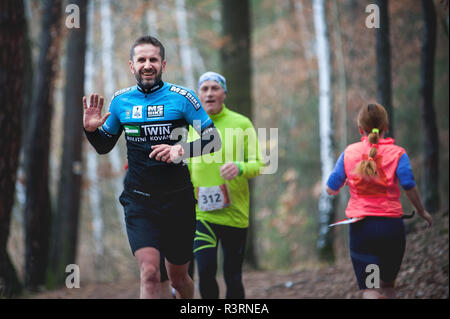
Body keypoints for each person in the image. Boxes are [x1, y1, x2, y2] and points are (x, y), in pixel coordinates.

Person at [83, 35, 221, 299]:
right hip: (140, 201)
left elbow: (213, 141)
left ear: (163, 64)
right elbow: (104, 146)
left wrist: (181, 150)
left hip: (178, 201)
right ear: (131, 66)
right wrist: (90, 130)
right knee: (149, 274)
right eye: (141, 59)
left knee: (179, 279)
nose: (148, 64)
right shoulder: (121, 101)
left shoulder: (183, 98)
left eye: (153, 59)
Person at [326, 103, 432, 299]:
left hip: (362, 230)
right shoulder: (398, 153)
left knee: (371, 288)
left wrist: (351, 181)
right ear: (386, 127)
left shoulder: (349, 153)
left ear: (360, 129)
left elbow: (331, 188)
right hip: (391, 229)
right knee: (388, 287)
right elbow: (408, 184)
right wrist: (421, 211)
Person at [188, 71, 265, 299]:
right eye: (205, 89)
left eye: (215, 88)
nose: (209, 93)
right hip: (202, 214)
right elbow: (188, 168)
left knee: (233, 275)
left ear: (224, 94)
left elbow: (259, 164)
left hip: (234, 213)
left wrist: (239, 168)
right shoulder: (192, 125)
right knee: (205, 271)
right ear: (199, 95)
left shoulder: (241, 123)